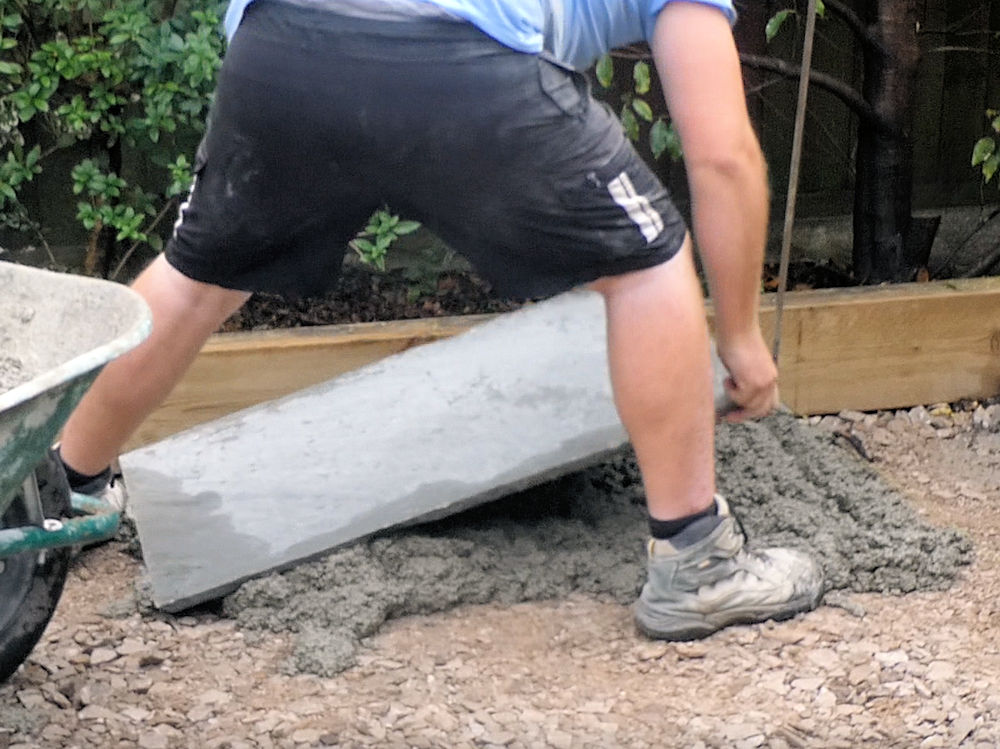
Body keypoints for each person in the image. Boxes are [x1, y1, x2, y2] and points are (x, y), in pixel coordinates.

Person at [57, 0, 824, 640]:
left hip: (283, 42)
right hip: (457, 53)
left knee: (198, 274)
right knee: (649, 260)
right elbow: (724, 157)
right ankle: (696, 560)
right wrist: (740, 336)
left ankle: (64, 487)